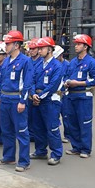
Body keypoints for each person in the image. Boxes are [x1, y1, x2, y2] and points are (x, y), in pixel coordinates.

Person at [0, 30, 34, 172]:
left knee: (21, 131)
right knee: (6, 130)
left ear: (16, 45)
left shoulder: (25, 61)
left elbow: (27, 83)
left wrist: (23, 101)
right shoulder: (6, 61)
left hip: (17, 99)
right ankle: (9, 156)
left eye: (8, 44)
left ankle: (24, 161)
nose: (5, 46)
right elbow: (1, 81)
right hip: (5, 99)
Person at [63, 34, 95, 158]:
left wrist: (78, 83)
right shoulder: (73, 62)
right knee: (72, 122)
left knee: (84, 123)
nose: (76, 46)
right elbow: (66, 75)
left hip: (84, 97)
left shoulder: (92, 63)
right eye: (76, 44)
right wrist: (66, 82)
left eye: (79, 44)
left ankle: (85, 149)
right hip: (71, 96)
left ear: (85, 47)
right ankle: (76, 147)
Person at [30, 37, 64, 165]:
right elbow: (31, 80)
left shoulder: (57, 66)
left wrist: (40, 96)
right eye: (38, 48)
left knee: (52, 128)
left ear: (50, 49)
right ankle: (40, 151)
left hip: (50, 101)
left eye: (41, 48)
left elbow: (53, 85)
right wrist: (33, 94)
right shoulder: (38, 64)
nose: (39, 51)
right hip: (37, 99)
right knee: (38, 127)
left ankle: (56, 154)